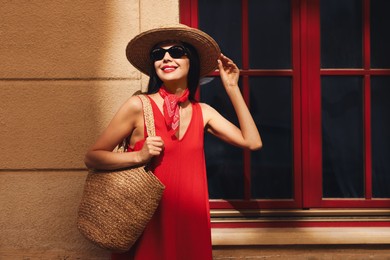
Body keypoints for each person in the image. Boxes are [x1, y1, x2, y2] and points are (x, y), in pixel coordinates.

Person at [84, 24, 262, 260]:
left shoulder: (204, 112)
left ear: (192, 62)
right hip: (148, 221)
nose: (166, 57)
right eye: (158, 55)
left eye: (177, 52)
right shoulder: (138, 106)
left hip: (190, 223)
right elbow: (93, 156)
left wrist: (231, 87)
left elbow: (252, 142)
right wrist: (138, 155)